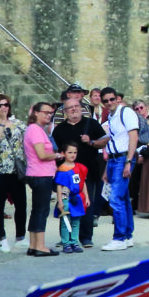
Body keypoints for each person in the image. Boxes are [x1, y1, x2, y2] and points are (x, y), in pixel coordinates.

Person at [52, 99, 107, 247]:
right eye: (70, 107)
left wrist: (91, 142)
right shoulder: (59, 129)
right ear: (64, 111)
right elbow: (54, 149)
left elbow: (105, 140)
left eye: (76, 106)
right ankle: (66, 237)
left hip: (87, 173)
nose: (74, 109)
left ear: (81, 108)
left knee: (85, 205)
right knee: (65, 204)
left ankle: (86, 237)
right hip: (65, 175)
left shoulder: (92, 124)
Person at [0, 95, 27, 252]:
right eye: (0, 105)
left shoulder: (18, 123)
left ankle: (20, 236)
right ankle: (1, 238)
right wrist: (2, 123)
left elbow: (27, 138)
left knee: (21, 204)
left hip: (15, 170)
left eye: (6, 105)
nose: (4, 108)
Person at [98, 87, 139, 251]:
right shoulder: (111, 116)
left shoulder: (126, 112)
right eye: (105, 101)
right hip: (115, 159)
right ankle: (127, 235)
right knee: (122, 198)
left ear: (117, 99)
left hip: (123, 158)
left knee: (115, 198)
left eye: (111, 99)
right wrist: (107, 168)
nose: (109, 103)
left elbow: (133, 136)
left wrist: (129, 161)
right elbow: (112, 141)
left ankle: (119, 237)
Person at [22, 102, 62, 257]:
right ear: (36, 113)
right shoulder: (35, 130)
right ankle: (40, 246)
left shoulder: (38, 130)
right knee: (42, 210)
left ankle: (33, 244)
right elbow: (42, 154)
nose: (49, 115)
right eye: (45, 112)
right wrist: (57, 155)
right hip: (40, 174)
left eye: (50, 112)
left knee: (37, 209)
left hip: (38, 173)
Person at [54, 143, 88, 253]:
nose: (73, 155)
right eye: (70, 152)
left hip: (77, 199)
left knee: (76, 221)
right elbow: (59, 186)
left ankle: (74, 241)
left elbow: (83, 183)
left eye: (75, 152)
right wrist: (60, 201)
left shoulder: (80, 168)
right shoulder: (61, 169)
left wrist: (86, 197)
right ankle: (66, 243)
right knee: (65, 222)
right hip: (65, 199)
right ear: (63, 154)